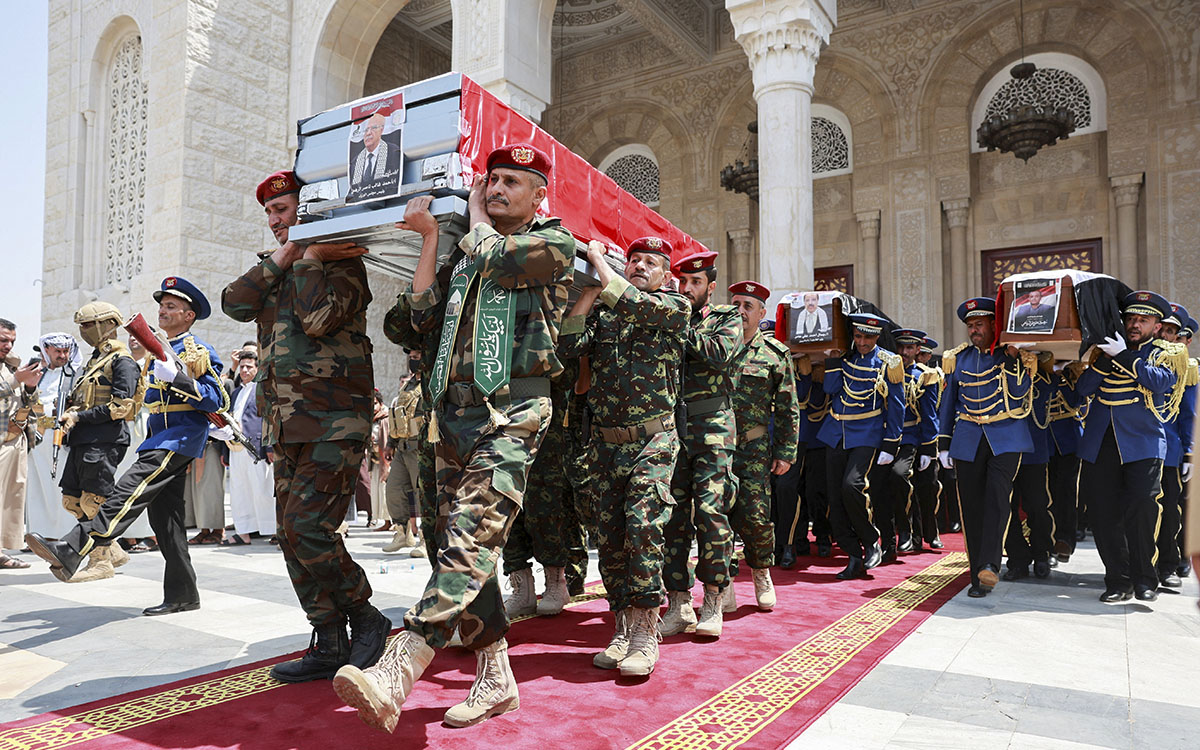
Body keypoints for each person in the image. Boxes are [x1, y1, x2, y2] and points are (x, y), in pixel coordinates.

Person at [334, 144, 574, 730]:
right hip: (454, 416)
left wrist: (473, 219)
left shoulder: (548, 244)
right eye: (490, 180)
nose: (496, 189)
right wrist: (430, 242)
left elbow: (499, 258)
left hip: (513, 409)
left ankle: (401, 665)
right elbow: (412, 321)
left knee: (470, 533)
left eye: (512, 181)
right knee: (461, 549)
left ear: (540, 194)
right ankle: (494, 675)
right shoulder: (466, 256)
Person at [222, 169, 391, 682]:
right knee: (291, 536)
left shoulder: (342, 263)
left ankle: (366, 617)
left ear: (308, 209)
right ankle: (329, 637)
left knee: (307, 527)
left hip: (333, 419)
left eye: (284, 211)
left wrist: (311, 256)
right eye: (270, 214)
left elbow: (318, 319)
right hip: (285, 425)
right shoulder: (274, 269)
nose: (276, 221)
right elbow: (233, 303)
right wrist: (286, 257)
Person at [26, 277, 227, 614]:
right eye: (162, 306)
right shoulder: (159, 351)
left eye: (171, 307)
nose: (163, 311)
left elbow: (217, 397)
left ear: (189, 315)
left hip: (180, 438)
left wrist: (177, 378)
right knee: (168, 524)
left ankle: (75, 546)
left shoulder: (197, 351)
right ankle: (183, 595)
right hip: (157, 438)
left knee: (127, 491)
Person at [557, 234, 688, 679]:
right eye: (633, 260)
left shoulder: (674, 309)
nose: (640, 266)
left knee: (643, 527)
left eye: (651, 262)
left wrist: (598, 260)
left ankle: (645, 632)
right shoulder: (608, 313)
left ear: (667, 276)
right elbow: (568, 348)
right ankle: (621, 625)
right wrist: (589, 293)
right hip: (606, 444)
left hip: (654, 441)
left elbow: (635, 302)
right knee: (610, 538)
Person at [1075, 291, 1184, 602]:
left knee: (1142, 508)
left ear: (1156, 326)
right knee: (1102, 514)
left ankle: (1145, 579)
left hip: (1142, 443)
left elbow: (1159, 382)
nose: (1135, 324)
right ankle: (1118, 580)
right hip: (1100, 443)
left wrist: (1124, 356)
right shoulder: (1104, 353)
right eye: (1131, 319)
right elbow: (1083, 389)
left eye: (1143, 320)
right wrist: (1105, 359)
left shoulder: (1166, 353)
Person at [659, 251, 742, 639]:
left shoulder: (726, 317)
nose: (687, 289)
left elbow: (719, 353)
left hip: (712, 429)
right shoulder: (670, 313)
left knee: (711, 514)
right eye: (682, 282)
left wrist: (676, 325)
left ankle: (712, 599)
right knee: (673, 518)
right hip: (674, 428)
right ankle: (678, 603)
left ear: (710, 287)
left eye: (695, 283)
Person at [937, 297, 1037, 598]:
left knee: (997, 498)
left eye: (979, 324)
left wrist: (1012, 358)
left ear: (995, 324)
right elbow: (948, 402)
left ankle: (991, 565)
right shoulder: (959, 358)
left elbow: (1020, 393)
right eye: (970, 326)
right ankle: (976, 572)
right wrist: (944, 443)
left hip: (1006, 436)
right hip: (967, 438)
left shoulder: (1016, 356)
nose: (973, 330)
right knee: (971, 507)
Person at [53, 302, 142, 582]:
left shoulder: (122, 361)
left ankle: (100, 563)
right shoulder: (94, 361)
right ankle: (111, 549)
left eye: (89, 325)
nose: (84, 331)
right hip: (83, 440)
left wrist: (80, 417)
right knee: (72, 500)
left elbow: (121, 407)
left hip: (104, 439)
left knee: (95, 501)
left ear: (107, 325)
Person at [727, 281, 800, 612]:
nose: (740, 311)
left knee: (756, 517)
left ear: (761, 313)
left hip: (754, 448)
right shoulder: (716, 348)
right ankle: (722, 583)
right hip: (715, 446)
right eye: (736, 304)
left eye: (747, 306)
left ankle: (760, 572)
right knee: (717, 517)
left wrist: (785, 452)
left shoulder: (774, 355)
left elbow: (788, 407)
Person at [818, 313, 905, 580]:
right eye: (858, 336)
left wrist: (891, 444)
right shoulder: (845, 359)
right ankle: (853, 554)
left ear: (877, 336)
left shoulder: (889, 362)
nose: (862, 341)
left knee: (852, 485)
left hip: (867, 433)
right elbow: (830, 389)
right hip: (836, 433)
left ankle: (871, 537)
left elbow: (897, 406)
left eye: (868, 337)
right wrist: (832, 358)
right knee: (835, 497)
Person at [883, 328, 941, 555]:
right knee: (896, 483)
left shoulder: (926, 375)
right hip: (889, 438)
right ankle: (903, 532)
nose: (904, 352)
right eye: (900, 347)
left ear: (918, 350)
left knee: (925, 486)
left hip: (913, 438)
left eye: (909, 348)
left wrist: (929, 448)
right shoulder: (885, 372)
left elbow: (930, 415)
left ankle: (926, 533)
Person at [1002, 352, 1057, 582]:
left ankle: (1042, 553)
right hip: (1005, 449)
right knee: (1007, 508)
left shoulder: (1043, 378)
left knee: (1037, 506)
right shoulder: (1001, 372)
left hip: (1033, 452)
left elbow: (1049, 387)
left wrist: (1038, 365)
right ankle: (1017, 559)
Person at [1153, 302, 1196, 589]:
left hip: (1169, 450)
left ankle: (1167, 564)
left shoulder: (1186, 367)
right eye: (1163, 329)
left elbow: (1189, 413)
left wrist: (1190, 453)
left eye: (1172, 331)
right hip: (1136, 446)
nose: (1166, 336)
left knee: (1170, 511)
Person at [25, 333, 82, 541]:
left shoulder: (75, 373)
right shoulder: (36, 372)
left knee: (62, 487)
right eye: (57, 351)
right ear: (46, 350)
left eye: (66, 351)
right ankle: (39, 536)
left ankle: (65, 536)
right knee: (37, 487)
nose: (62, 355)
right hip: (37, 438)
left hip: (63, 439)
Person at [1, 318, 42, 569]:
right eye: (3, 340)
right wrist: (17, 379)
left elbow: (23, 399)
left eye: (12, 341)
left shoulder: (11, 365)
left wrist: (29, 387)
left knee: (9, 500)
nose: (8, 345)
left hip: (15, 439)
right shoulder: (13, 371)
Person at [224, 350, 273, 545]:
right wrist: (224, 452)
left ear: (257, 369)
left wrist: (269, 447)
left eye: (248, 367)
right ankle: (243, 531)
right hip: (236, 449)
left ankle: (273, 530)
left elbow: (269, 419)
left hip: (256, 448)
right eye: (242, 366)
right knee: (239, 490)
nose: (244, 370)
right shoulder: (236, 392)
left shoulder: (263, 390)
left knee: (263, 490)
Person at [381, 350, 425, 556]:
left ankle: (426, 539)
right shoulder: (409, 385)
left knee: (423, 494)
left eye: (417, 357)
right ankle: (402, 533)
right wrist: (391, 442)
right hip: (403, 446)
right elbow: (399, 416)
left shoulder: (431, 383)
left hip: (422, 447)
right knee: (394, 489)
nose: (413, 361)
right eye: (412, 358)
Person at [351, 113, 398, 185]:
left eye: (374, 128)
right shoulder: (355, 162)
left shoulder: (393, 153)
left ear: (381, 130)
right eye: (366, 130)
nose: (368, 133)